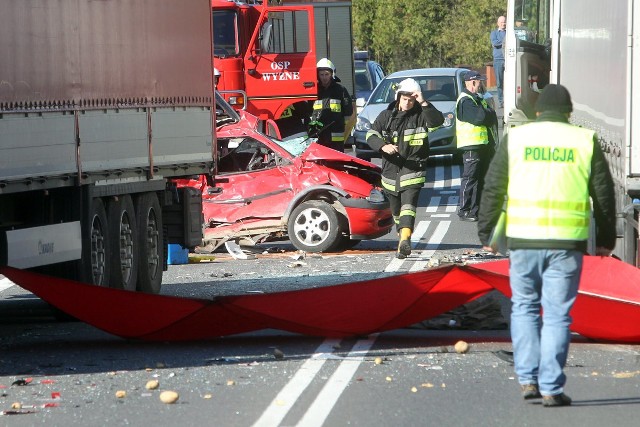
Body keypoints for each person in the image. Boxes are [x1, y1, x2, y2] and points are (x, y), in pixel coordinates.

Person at [477, 84, 616, 407]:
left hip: (523, 240)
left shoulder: (518, 139)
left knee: (524, 307)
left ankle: (527, 379)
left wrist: (488, 235)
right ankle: (551, 385)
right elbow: (604, 194)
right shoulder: (583, 141)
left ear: (537, 112)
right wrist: (606, 240)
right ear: (568, 113)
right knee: (557, 314)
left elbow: (493, 187)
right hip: (567, 244)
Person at [365, 78, 444, 258]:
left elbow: (437, 122)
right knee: (396, 211)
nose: (408, 103)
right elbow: (371, 134)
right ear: (398, 97)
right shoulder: (386, 116)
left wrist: (424, 102)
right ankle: (403, 235)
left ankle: (405, 241)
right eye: (405, 99)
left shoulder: (421, 116)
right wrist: (382, 146)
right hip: (390, 171)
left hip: (413, 169)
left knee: (409, 205)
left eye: (411, 99)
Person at [455, 70, 498, 222]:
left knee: (481, 178)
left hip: (483, 146)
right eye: (480, 81)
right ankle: (464, 210)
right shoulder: (465, 100)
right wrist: (488, 114)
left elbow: (492, 115)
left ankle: (476, 210)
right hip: (472, 146)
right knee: (470, 178)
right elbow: (481, 118)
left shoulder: (477, 99)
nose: (482, 84)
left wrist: (488, 114)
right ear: (473, 82)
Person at [309, 58, 353, 152]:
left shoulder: (340, 90)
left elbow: (348, 111)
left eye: (326, 74)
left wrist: (340, 124)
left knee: (337, 163)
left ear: (332, 74)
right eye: (321, 74)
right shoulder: (313, 91)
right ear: (317, 75)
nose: (324, 77)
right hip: (318, 135)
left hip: (336, 137)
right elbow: (308, 111)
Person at [490, 16, 506, 107]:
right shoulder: (494, 33)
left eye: (504, 22)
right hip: (498, 60)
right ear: (498, 23)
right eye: (501, 22)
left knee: (510, 81)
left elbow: (498, 43)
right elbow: (495, 43)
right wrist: (505, 42)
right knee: (499, 82)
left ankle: (509, 99)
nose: (503, 24)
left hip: (509, 59)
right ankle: (501, 101)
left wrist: (501, 43)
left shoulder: (509, 33)